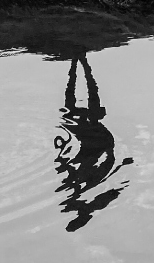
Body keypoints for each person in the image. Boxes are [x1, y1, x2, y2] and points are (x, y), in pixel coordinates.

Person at [53, 55, 133, 232]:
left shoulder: (80, 198)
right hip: (96, 143)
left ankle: (78, 65)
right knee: (84, 109)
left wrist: (61, 156)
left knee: (73, 110)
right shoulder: (91, 201)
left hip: (94, 143)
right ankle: (81, 65)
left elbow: (68, 169)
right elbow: (114, 189)